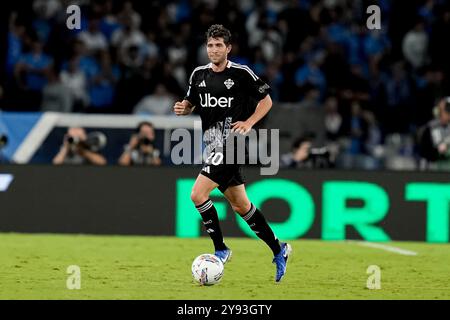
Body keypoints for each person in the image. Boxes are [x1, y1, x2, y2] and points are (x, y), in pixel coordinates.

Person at [173, 25, 291, 282]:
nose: (214, 50)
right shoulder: (198, 74)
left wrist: (249, 122)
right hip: (211, 145)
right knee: (241, 205)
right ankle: (279, 248)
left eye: (219, 45)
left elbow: (266, 100)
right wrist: (184, 108)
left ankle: (220, 248)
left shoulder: (241, 73)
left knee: (197, 194)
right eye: (210, 45)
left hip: (231, 145)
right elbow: (191, 103)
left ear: (228, 48)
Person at [417, 97, 450, 170]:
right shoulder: (430, 128)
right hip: (433, 169)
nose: (447, 113)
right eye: (446, 109)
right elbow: (425, 153)